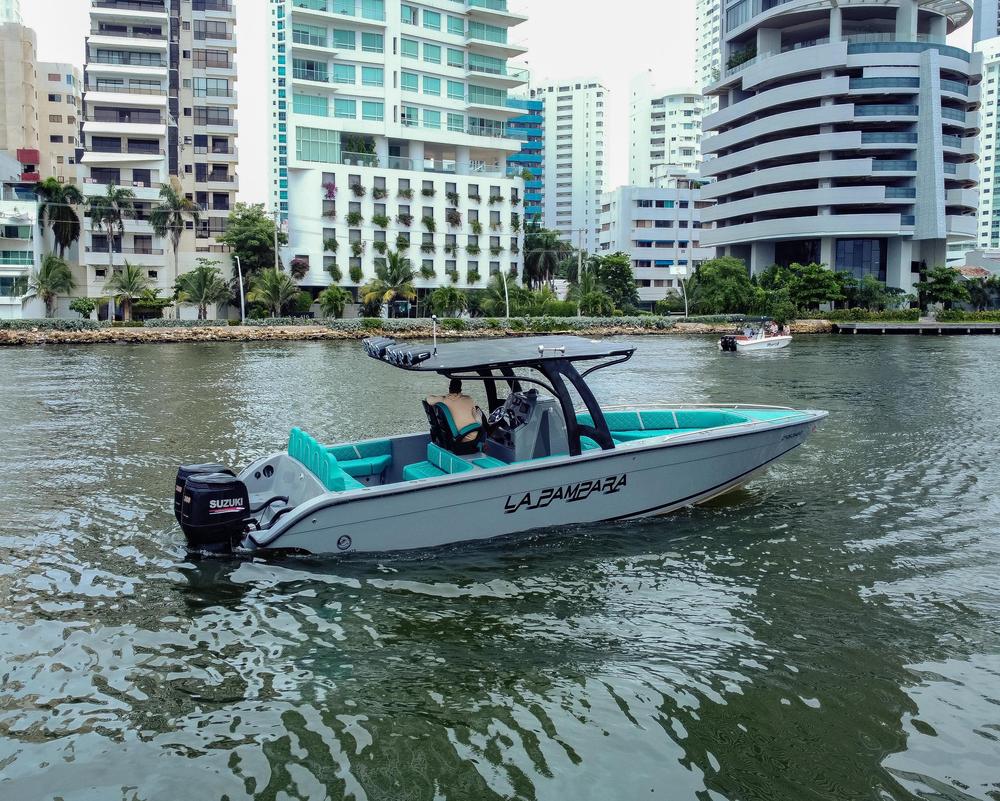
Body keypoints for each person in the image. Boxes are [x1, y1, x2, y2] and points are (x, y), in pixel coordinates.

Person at [426, 379, 485, 443]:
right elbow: (476, 415)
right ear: (460, 389)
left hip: (457, 435)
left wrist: (442, 396)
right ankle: (484, 443)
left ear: (449, 389)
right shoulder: (469, 399)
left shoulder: (443, 400)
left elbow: (428, 399)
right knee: (478, 411)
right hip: (471, 435)